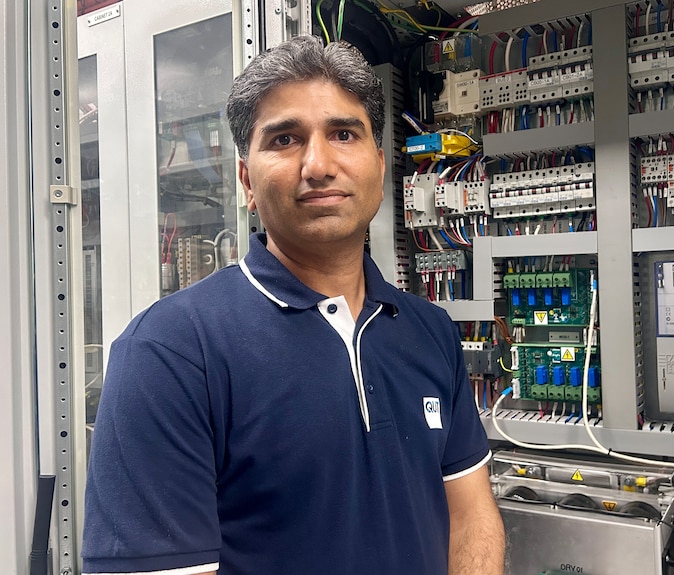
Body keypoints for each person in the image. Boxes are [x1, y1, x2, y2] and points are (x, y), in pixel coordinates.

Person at [82, 35, 505, 574]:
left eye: (344, 134)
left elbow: (470, 516)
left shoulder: (430, 331)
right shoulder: (169, 353)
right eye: (285, 139)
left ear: (380, 165)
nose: (318, 164)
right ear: (246, 182)